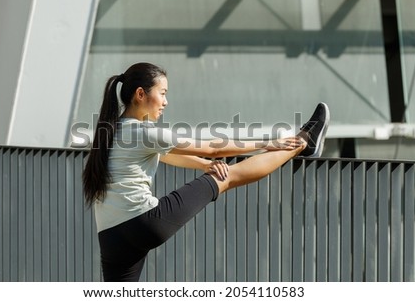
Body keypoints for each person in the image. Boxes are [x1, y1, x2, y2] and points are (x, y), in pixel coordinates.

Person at [82, 62, 330, 282]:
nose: (166, 102)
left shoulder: (111, 132)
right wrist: (268, 143)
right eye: (163, 93)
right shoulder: (144, 132)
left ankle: (301, 143)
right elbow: (213, 147)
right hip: (144, 222)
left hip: (111, 237)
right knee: (226, 177)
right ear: (140, 94)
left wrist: (202, 166)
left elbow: (167, 154)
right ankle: (304, 142)